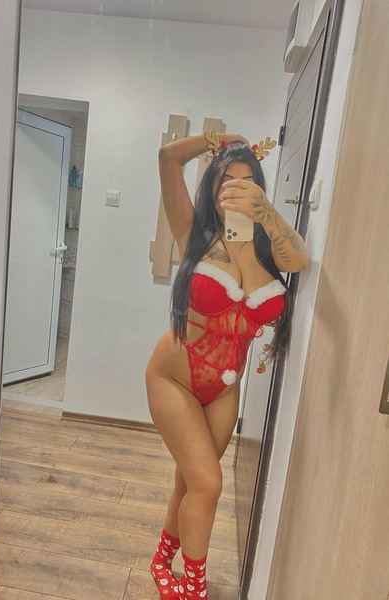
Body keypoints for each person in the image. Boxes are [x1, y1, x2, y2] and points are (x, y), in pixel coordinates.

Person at [146, 131, 309, 600]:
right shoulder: (193, 232)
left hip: (223, 389)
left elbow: (299, 260)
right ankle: (194, 589)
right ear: (211, 188)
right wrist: (217, 141)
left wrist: (264, 212)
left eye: (246, 180)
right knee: (209, 484)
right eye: (225, 181)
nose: (235, 188)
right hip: (173, 376)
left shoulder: (267, 249)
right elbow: (167, 158)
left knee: (192, 482)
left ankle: (162, 560)